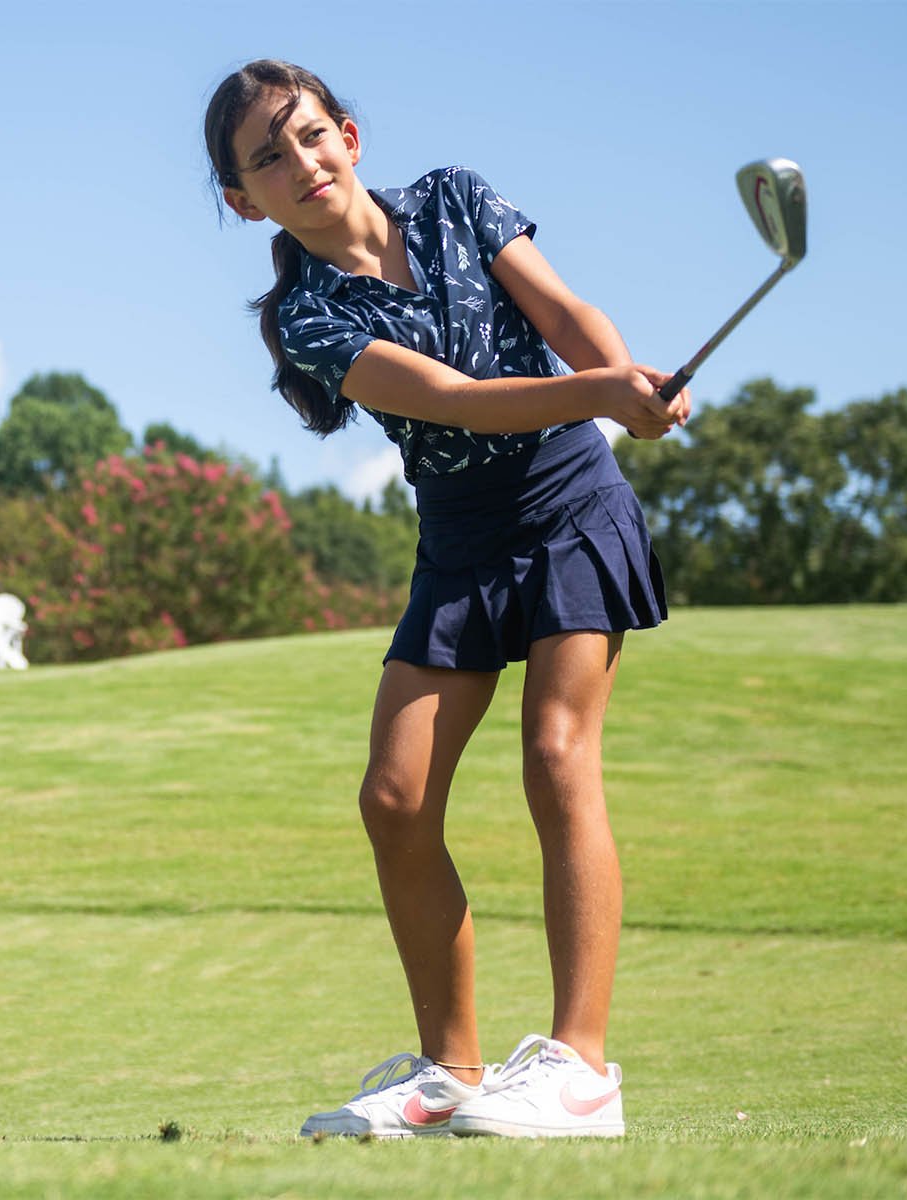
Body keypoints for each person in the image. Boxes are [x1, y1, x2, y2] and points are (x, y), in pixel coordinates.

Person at [204, 60, 689, 1139]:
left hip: (570, 502)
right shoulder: (310, 319)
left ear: (352, 136)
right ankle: (453, 1072)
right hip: (461, 541)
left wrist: (625, 384)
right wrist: (607, 391)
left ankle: (582, 1070)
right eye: (267, 158)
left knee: (558, 755)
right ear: (244, 201)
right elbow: (459, 404)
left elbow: (564, 312)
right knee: (395, 796)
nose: (302, 163)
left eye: (312, 134)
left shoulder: (460, 198)